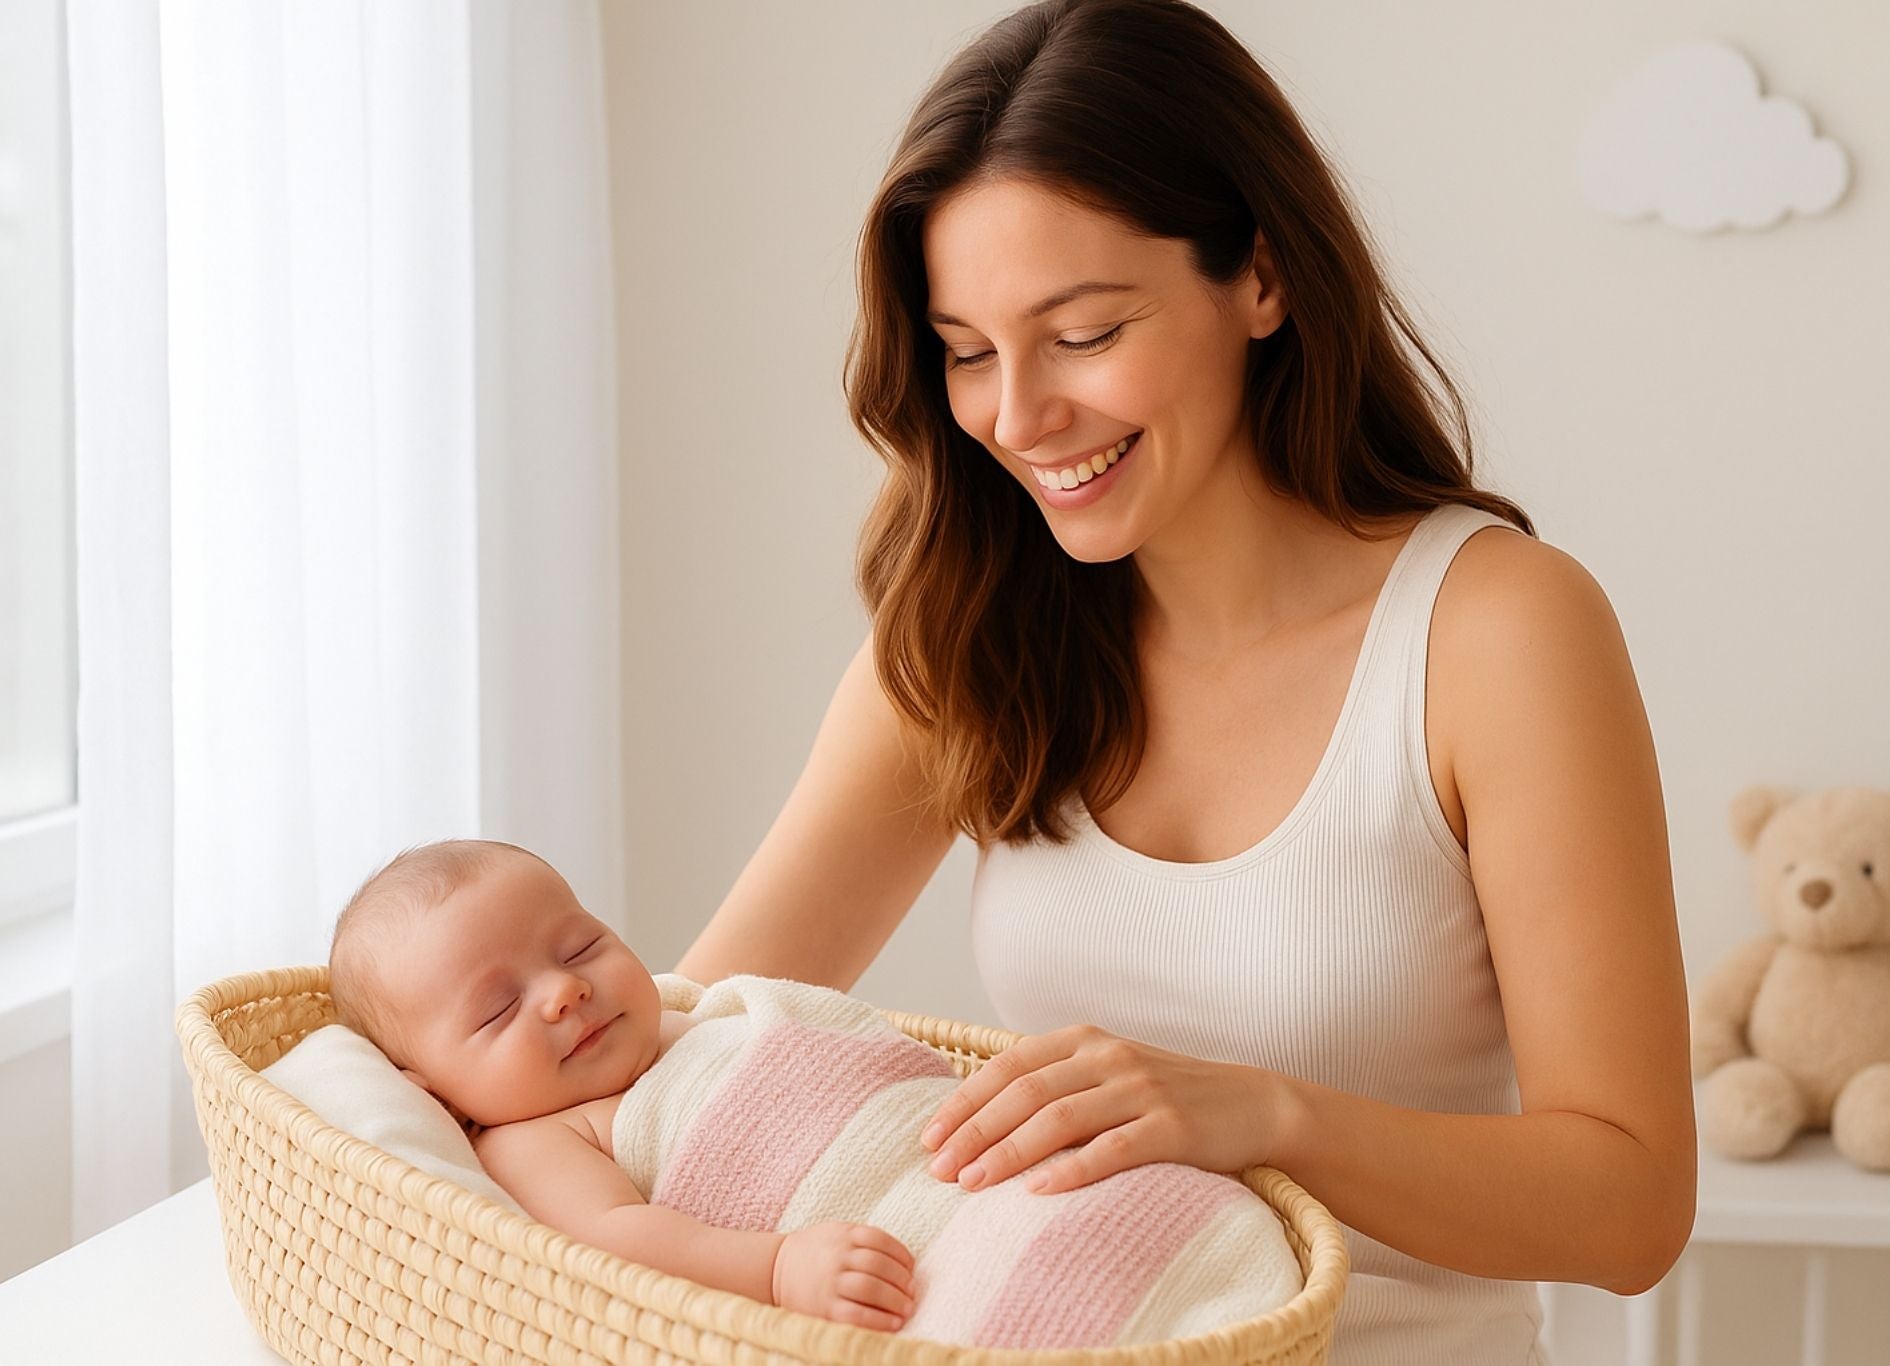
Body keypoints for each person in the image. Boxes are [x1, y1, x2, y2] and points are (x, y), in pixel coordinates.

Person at [671, 1, 1697, 1362]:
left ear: (1261, 278)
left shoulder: (1493, 630)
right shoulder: (963, 638)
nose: (1019, 417)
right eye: (968, 351)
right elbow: (682, 1056)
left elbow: (1629, 1202)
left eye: (1084, 333)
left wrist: (1268, 1114)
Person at [326, 838, 1303, 1347]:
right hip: (875, 1248)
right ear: (437, 1096)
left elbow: (873, 1074)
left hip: (956, 1168)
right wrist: (778, 1268)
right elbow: (619, 1249)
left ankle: (1177, 1258)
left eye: (579, 945)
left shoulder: (705, 1018)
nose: (565, 991)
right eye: (497, 1011)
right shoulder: (534, 1139)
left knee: (1079, 1202)